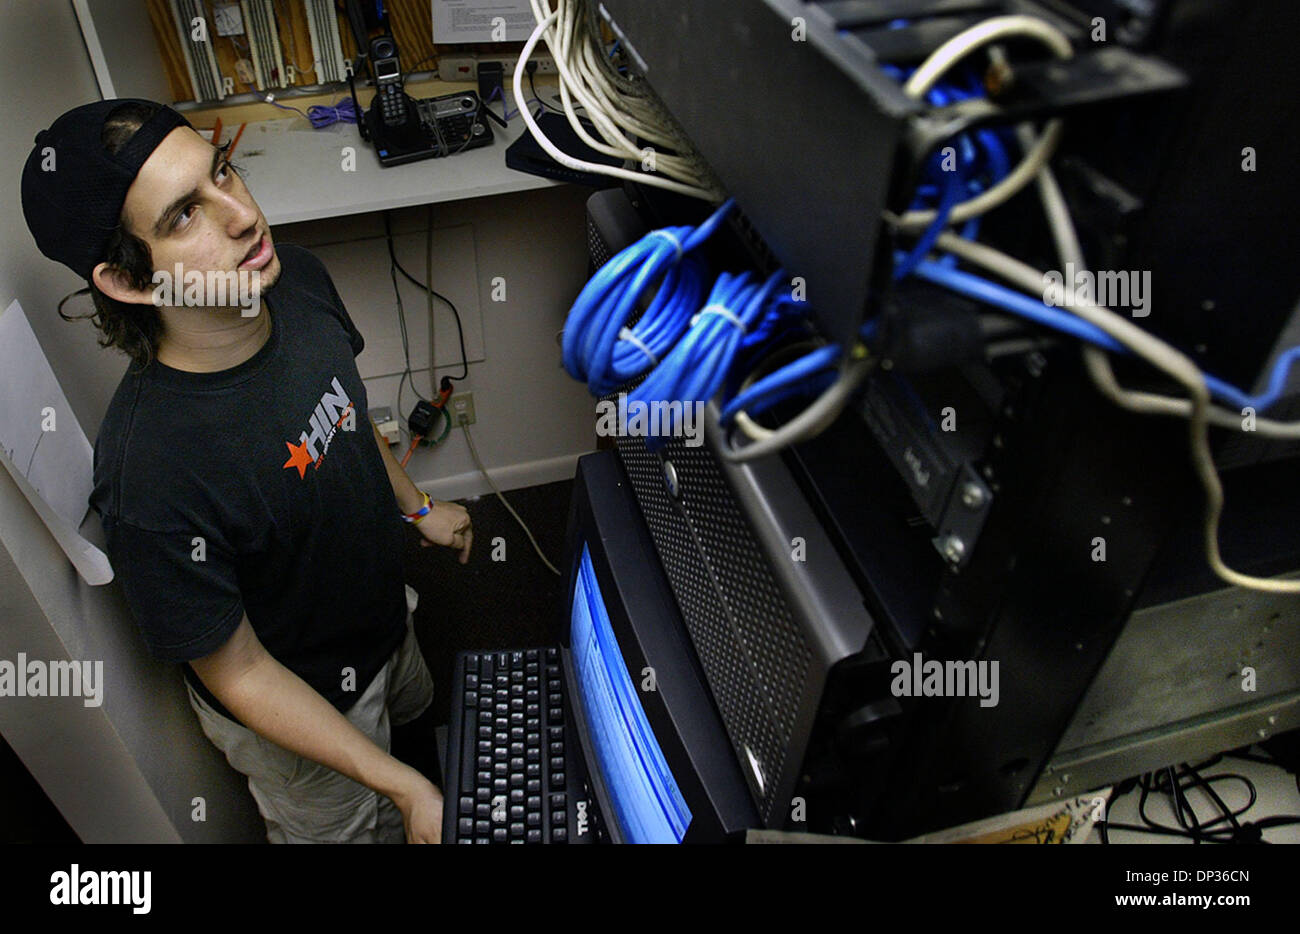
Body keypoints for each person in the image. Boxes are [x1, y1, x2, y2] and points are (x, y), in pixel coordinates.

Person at [20, 98, 472, 843]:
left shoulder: (296, 279)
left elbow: (349, 417)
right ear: (131, 283)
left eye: (223, 172)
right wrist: (398, 786)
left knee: (420, 723)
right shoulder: (151, 477)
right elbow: (238, 673)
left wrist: (419, 509)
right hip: (305, 709)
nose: (241, 216)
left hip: (386, 618)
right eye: (183, 216)